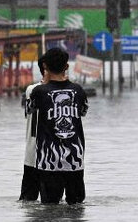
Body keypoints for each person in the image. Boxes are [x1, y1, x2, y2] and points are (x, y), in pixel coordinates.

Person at [29, 48, 90, 204]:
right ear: (66, 67)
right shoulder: (78, 91)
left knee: (49, 209)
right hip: (74, 159)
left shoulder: (38, 92)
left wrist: (45, 84)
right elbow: (83, 112)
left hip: (48, 160)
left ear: (45, 67)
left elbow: (29, 110)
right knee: (76, 208)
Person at [18, 56, 47, 202]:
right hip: (41, 154)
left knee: (28, 200)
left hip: (32, 153)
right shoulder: (34, 90)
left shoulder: (31, 89)